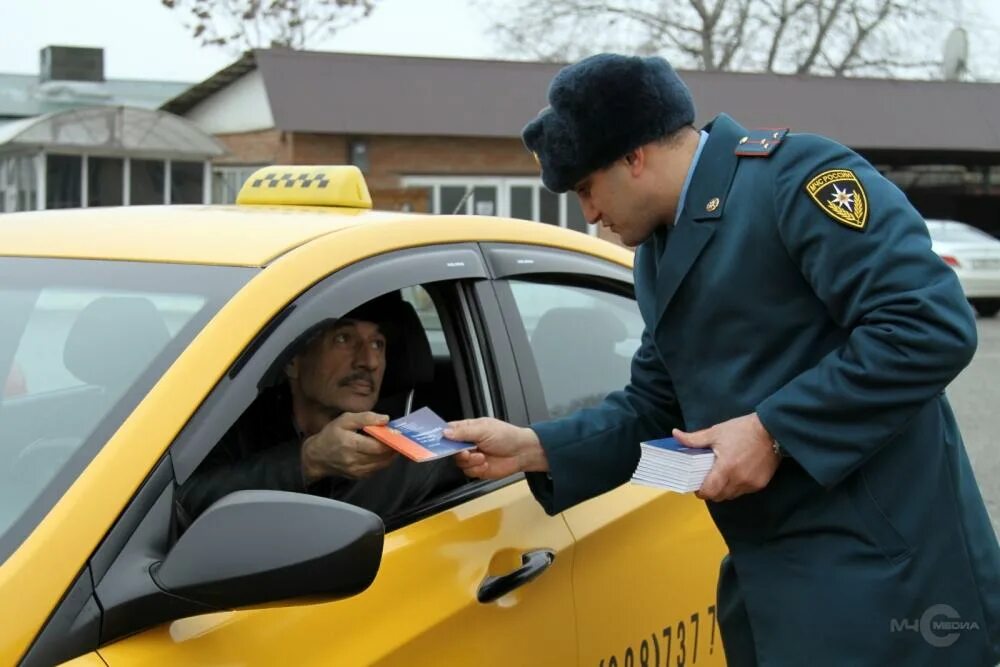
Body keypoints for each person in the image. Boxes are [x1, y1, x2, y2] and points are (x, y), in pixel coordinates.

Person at [446, 53, 1000, 666]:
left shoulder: (797, 180)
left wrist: (773, 432)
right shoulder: (659, 253)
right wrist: (531, 446)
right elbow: (654, 407)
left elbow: (928, 325)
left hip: (885, 580)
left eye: (585, 188)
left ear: (635, 156)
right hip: (770, 585)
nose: (590, 215)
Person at [177, 292, 464, 526]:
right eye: (344, 339)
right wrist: (307, 461)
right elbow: (181, 507)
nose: (369, 361)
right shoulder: (229, 423)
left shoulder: (410, 451)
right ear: (293, 362)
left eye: (378, 344)